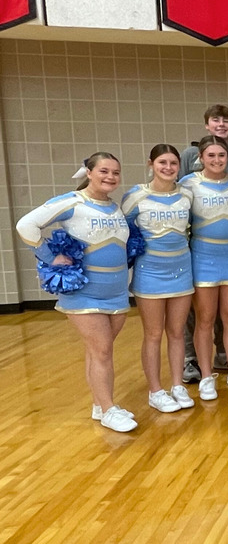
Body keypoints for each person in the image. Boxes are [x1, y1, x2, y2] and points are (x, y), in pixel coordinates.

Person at [17, 152, 136, 432]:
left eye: (115, 172)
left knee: (99, 351)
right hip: (84, 291)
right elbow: (26, 224)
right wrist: (51, 257)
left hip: (116, 291)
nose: (110, 177)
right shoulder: (72, 202)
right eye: (104, 171)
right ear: (89, 172)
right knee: (102, 350)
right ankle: (109, 409)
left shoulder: (114, 207)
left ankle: (100, 404)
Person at [178, 104, 228, 381]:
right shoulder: (188, 182)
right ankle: (199, 368)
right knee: (202, 318)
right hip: (202, 256)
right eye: (211, 155)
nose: (217, 159)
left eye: (221, 155)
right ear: (200, 157)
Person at [122, 145, 195, 414]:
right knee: (153, 334)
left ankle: (177, 385)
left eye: (173, 163)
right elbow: (122, 229)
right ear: (151, 164)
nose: (168, 167)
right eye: (162, 162)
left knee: (177, 332)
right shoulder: (136, 196)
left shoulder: (187, 194)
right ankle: (155, 391)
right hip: (150, 273)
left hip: (182, 270)